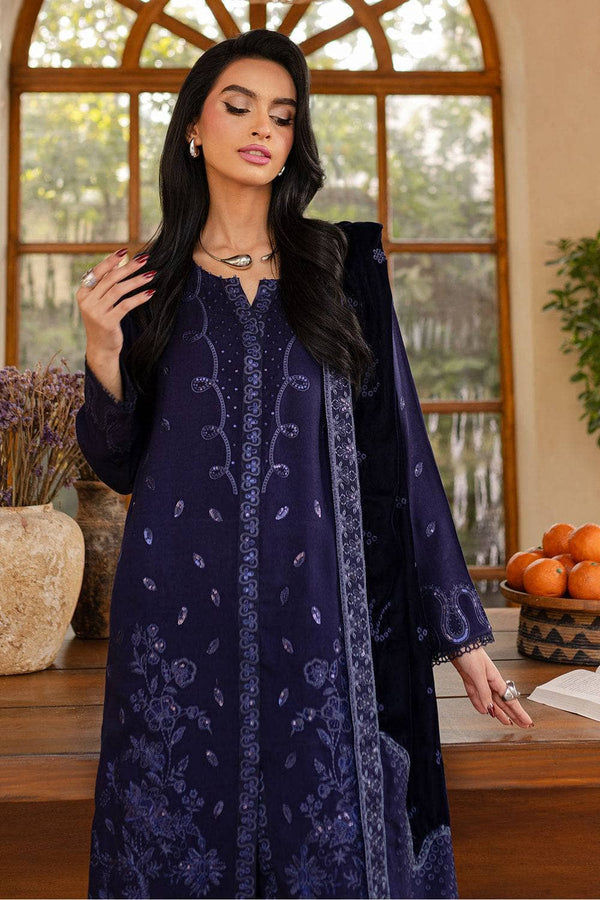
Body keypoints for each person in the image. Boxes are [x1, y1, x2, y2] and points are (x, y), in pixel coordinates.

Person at [76, 29, 533, 900]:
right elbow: (118, 461)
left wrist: (464, 639)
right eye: (239, 106)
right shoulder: (144, 283)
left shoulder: (340, 268)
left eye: (283, 116)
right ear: (194, 128)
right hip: (176, 619)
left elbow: (405, 454)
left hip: (322, 616)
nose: (263, 128)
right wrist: (102, 350)